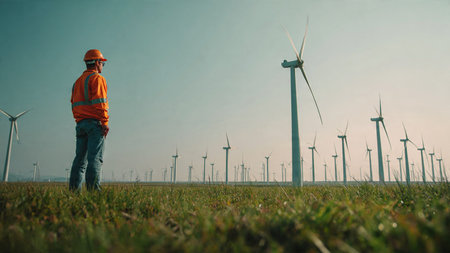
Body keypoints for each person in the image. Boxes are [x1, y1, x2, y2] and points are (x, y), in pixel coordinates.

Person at [69, 49, 109, 191]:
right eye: (102, 63)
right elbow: (100, 103)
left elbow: (73, 104)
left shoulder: (77, 82)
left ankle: (74, 193)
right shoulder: (97, 79)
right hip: (94, 124)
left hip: (80, 124)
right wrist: (104, 123)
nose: (102, 66)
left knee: (79, 161)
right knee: (95, 159)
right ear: (97, 63)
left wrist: (80, 121)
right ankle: (94, 194)